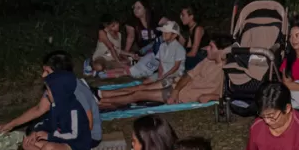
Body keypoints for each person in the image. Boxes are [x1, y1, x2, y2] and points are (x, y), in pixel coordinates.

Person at [0, 51, 102, 147]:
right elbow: (39, 109)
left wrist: (55, 137)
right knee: (32, 132)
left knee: (37, 142)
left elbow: (88, 126)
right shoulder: (55, 86)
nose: (43, 75)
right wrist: (10, 125)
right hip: (69, 127)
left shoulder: (77, 91)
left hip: (88, 137)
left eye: (47, 71)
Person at [97, 40, 227, 109]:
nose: (207, 48)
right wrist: (176, 89)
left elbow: (225, 95)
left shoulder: (224, 70)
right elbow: (188, 75)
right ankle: (101, 94)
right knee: (139, 88)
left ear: (221, 51)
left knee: (138, 94)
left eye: (211, 47)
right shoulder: (207, 61)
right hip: (176, 86)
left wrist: (212, 97)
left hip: (183, 95)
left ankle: (100, 102)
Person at [10, 71, 92, 150]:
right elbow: (48, 122)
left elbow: (74, 135)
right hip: (60, 143)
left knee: (49, 148)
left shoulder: (74, 110)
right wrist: (36, 132)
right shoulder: (55, 106)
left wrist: (49, 136)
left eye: (48, 91)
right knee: (27, 144)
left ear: (59, 93)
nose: (46, 94)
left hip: (75, 149)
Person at [179, 5, 207, 71]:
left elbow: (193, 52)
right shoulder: (191, 29)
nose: (181, 17)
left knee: (180, 62)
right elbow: (188, 48)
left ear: (191, 17)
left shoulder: (198, 29)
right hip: (197, 55)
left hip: (203, 57)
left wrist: (180, 58)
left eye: (183, 15)